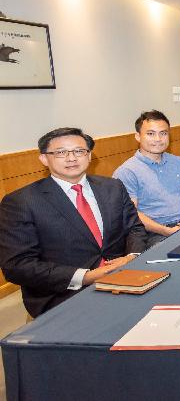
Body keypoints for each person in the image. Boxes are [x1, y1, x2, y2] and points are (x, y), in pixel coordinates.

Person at [0, 128, 147, 318]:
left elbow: (134, 228)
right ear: (44, 159)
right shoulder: (22, 201)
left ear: (89, 155)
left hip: (125, 278)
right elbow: (17, 266)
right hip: (64, 294)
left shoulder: (113, 187)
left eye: (79, 151)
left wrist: (132, 257)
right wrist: (85, 277)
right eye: (61, 152)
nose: (71, 158)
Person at [114, 111, 180, 247]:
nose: (158, 139)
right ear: (138, 136)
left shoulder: (178, 162)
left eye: (163, 133)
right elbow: (132, 213)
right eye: (151, 134)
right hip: (153, 232)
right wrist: (166, 231)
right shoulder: (127, 171)